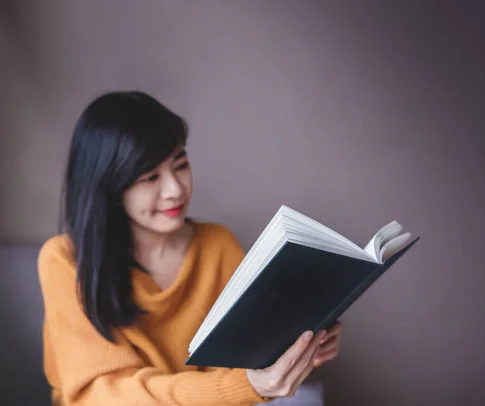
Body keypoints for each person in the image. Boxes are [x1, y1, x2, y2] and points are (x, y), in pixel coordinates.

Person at [37, 90, 343, 405]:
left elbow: (247, 356)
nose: (175, 190)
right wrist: (246, 385)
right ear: (109, 186)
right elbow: (103, 395)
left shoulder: (216, 245)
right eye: (150, 177)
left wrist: (305, 345)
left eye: (180, 165)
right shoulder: (65, 260)